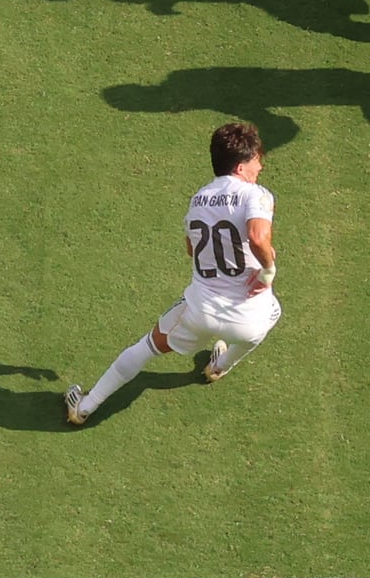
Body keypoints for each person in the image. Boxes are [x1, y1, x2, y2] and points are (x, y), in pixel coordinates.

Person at [64, 121, 279, 426]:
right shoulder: (255, 194)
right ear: (242, 165)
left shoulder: (198, 200)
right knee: (271, 311)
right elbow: (258, 238)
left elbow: (193, 250)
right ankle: (221, 365)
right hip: (248, 319)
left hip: (199, 311)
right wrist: (268, 270)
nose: (260, 166)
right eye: (257, 159)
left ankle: (84, 407)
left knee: (147, 347)